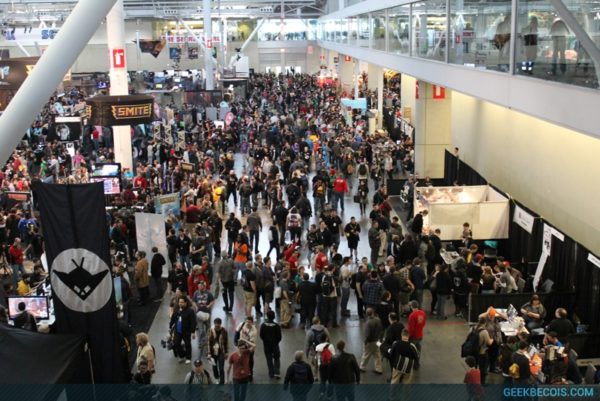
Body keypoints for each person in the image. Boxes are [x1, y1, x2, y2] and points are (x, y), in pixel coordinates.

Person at [169, 296, 197, 364]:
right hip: (178, 331)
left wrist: (193, 332)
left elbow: (193, 322)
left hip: (186, 331)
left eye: (182, 302)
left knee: (187, 344)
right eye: (179, 302)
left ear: (186, 303)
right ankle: (182, 355)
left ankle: (188, 357)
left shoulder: (190, 311)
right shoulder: (177, 311)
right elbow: (173, 319)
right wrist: (170, 328)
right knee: (176, 343)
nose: (180, 303)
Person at [359, 308, 383, 374]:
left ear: (366, 314)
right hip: (377, 341)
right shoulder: (378, 320)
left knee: (366, 354)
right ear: (373, 312)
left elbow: (368, 335)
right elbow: (381, 330)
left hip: (370, 342)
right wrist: (380, 339)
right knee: (377, 355)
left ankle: (362, 367)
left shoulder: (368, 323)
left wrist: (366, 341)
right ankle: (379, 369)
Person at [260, 310, 282, 379]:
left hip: (266, 345)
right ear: (274, 317)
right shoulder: (276, 326)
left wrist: (265, 341)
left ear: (267, 316)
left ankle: (271, 373)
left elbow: (261, 335)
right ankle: (277, 372)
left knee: (269, 359)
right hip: (275, 345)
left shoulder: (263, 325)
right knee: (276, 358)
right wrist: (276, 342)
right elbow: (279, 337)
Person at [208, 318, 228, 385]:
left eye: (218, 326)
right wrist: (209, 353)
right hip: (213, 352)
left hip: (221, 352)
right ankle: (217, 378)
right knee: (214, 367)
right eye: (215, 325)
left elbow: (226, 342)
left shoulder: (224, 331)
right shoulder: (211, 330)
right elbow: (209, 342)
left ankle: (222, 381)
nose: (217, 327)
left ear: (220, 324)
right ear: (214, 324)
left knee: (221, 368)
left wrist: (226, 352)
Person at [407, 301, 425, 369]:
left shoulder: (412, 315)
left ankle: (409, 365)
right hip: (420, 335)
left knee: (411, 351)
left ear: (411, 307)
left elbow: (411, 328)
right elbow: (423, 323)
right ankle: (416, 364)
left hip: (413, 337)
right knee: (418, 351)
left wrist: (408, 336)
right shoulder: (422, 313)